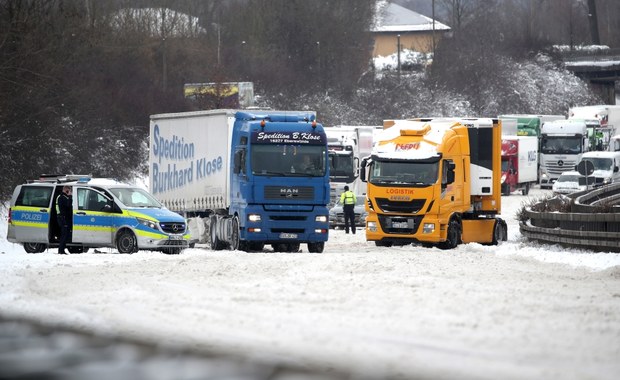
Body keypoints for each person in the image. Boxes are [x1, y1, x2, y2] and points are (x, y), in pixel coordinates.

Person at [56, 185, 73, 255]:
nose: (70, 193)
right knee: (64, 234)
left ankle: (62, 249)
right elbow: (67, 205)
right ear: (67, 190)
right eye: (70, 191)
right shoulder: (62, 197)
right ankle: (61, 250)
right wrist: (70, 197)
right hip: (63, 218)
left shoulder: (63, 197)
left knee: (65, 234)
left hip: (64, 218)